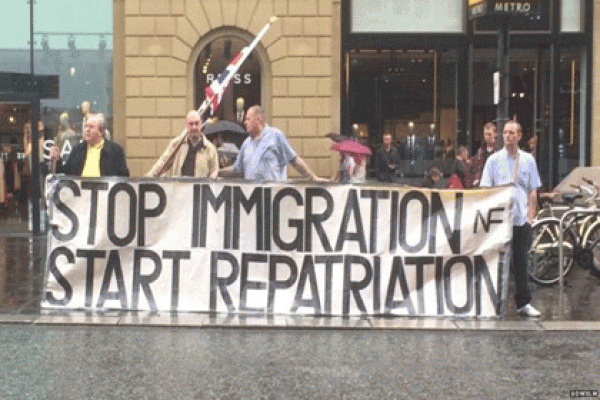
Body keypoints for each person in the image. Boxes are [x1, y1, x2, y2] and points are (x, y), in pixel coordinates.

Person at [480, 120, 542, 318]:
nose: (508, 136)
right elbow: (485, 189)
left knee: (521, 262)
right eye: (505, 132)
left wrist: (530, 217)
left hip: (520, 220)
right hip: (499, 221)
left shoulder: (528, 160)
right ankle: (493, 302)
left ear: (519, 136)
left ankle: (523, 303)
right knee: (495, 262)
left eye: (512, 132)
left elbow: (533, 190)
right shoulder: (493, 160)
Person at [221, 105, 323, 182]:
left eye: (248, 119)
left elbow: (294, 160)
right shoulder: (246, 143)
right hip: (252, 199)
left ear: (258, 119)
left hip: (273, 196)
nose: (245, 122)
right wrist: (217, 171)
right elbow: (236, 169)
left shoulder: (275, 135)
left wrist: (313, 178)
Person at [51, 113, 129, 177]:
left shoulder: (115, 151)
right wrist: (57, 160)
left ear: (101, 132)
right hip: (81, 194)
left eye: (91, 127)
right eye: (86, 126)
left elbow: (123, 178)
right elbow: (66, 174)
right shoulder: (77, 149)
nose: (87, 130)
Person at [147, 110, 219, 178]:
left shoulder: (210, 149)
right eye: (191, 124)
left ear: (201, 124)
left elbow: (214, 171)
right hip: (178, 189)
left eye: (196, 123)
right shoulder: (177, 145)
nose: (194, 127)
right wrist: (148, 179)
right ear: (186, 125)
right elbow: (162, 163)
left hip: (199, 190)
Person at [471, 122, 498, 187]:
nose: (487, 137)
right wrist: (477, 179)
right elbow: (478, 168)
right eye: (485, 134)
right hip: (483, 182)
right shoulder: (480, 151)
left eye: (489, 134)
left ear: (495, 134)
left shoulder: (499, 149)